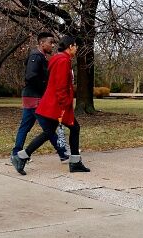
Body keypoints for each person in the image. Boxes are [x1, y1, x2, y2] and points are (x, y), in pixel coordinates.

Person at [14, 35, 90, 175]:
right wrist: (64, 104)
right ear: (71, 46)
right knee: (74, 128)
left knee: (48, 132)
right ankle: (74, 163)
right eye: (76, 47)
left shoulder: (56, 58)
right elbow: (61, 86)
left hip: (51, 103)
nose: (77, 49)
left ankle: (22, 156)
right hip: (57, 105)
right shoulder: (63, 60)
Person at [11, 32, 69, 175]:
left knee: (26, 126)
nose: (53, 45)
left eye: (54, 43)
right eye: (51, 42)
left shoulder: (40, 56)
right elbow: (30, 76)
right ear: (42, 43)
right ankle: (62, 153)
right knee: (48, 129)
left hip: (32, 97)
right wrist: (45, 89)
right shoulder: (36, 56)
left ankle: (16, 152)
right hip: (35, 98)